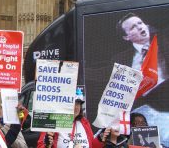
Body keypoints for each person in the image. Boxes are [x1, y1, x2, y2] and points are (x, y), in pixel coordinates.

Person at [115, 12, 169, 145]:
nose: (139, 27)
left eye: (140, 23)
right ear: (126, 37)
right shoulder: (123, 60)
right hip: (150, 113)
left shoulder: (164, 41)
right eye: (133, 27)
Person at [37, 94, 103, 148]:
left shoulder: (84, 122)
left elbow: (92, 145)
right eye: (73, 103)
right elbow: (41, 146)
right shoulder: (53, 122)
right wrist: (46, 145)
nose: (76, 107)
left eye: (78, 104)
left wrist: (100, 138)